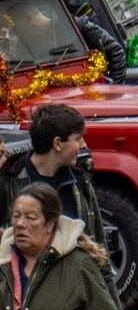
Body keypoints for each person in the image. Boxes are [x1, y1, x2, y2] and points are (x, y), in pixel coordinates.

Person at [0, 105, 104, 248]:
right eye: (78, 138)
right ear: (58, 144)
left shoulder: (79, 179)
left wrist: (102, 269)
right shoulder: (8, 182)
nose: (83, 145)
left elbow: (97, 239)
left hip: (74, 269)